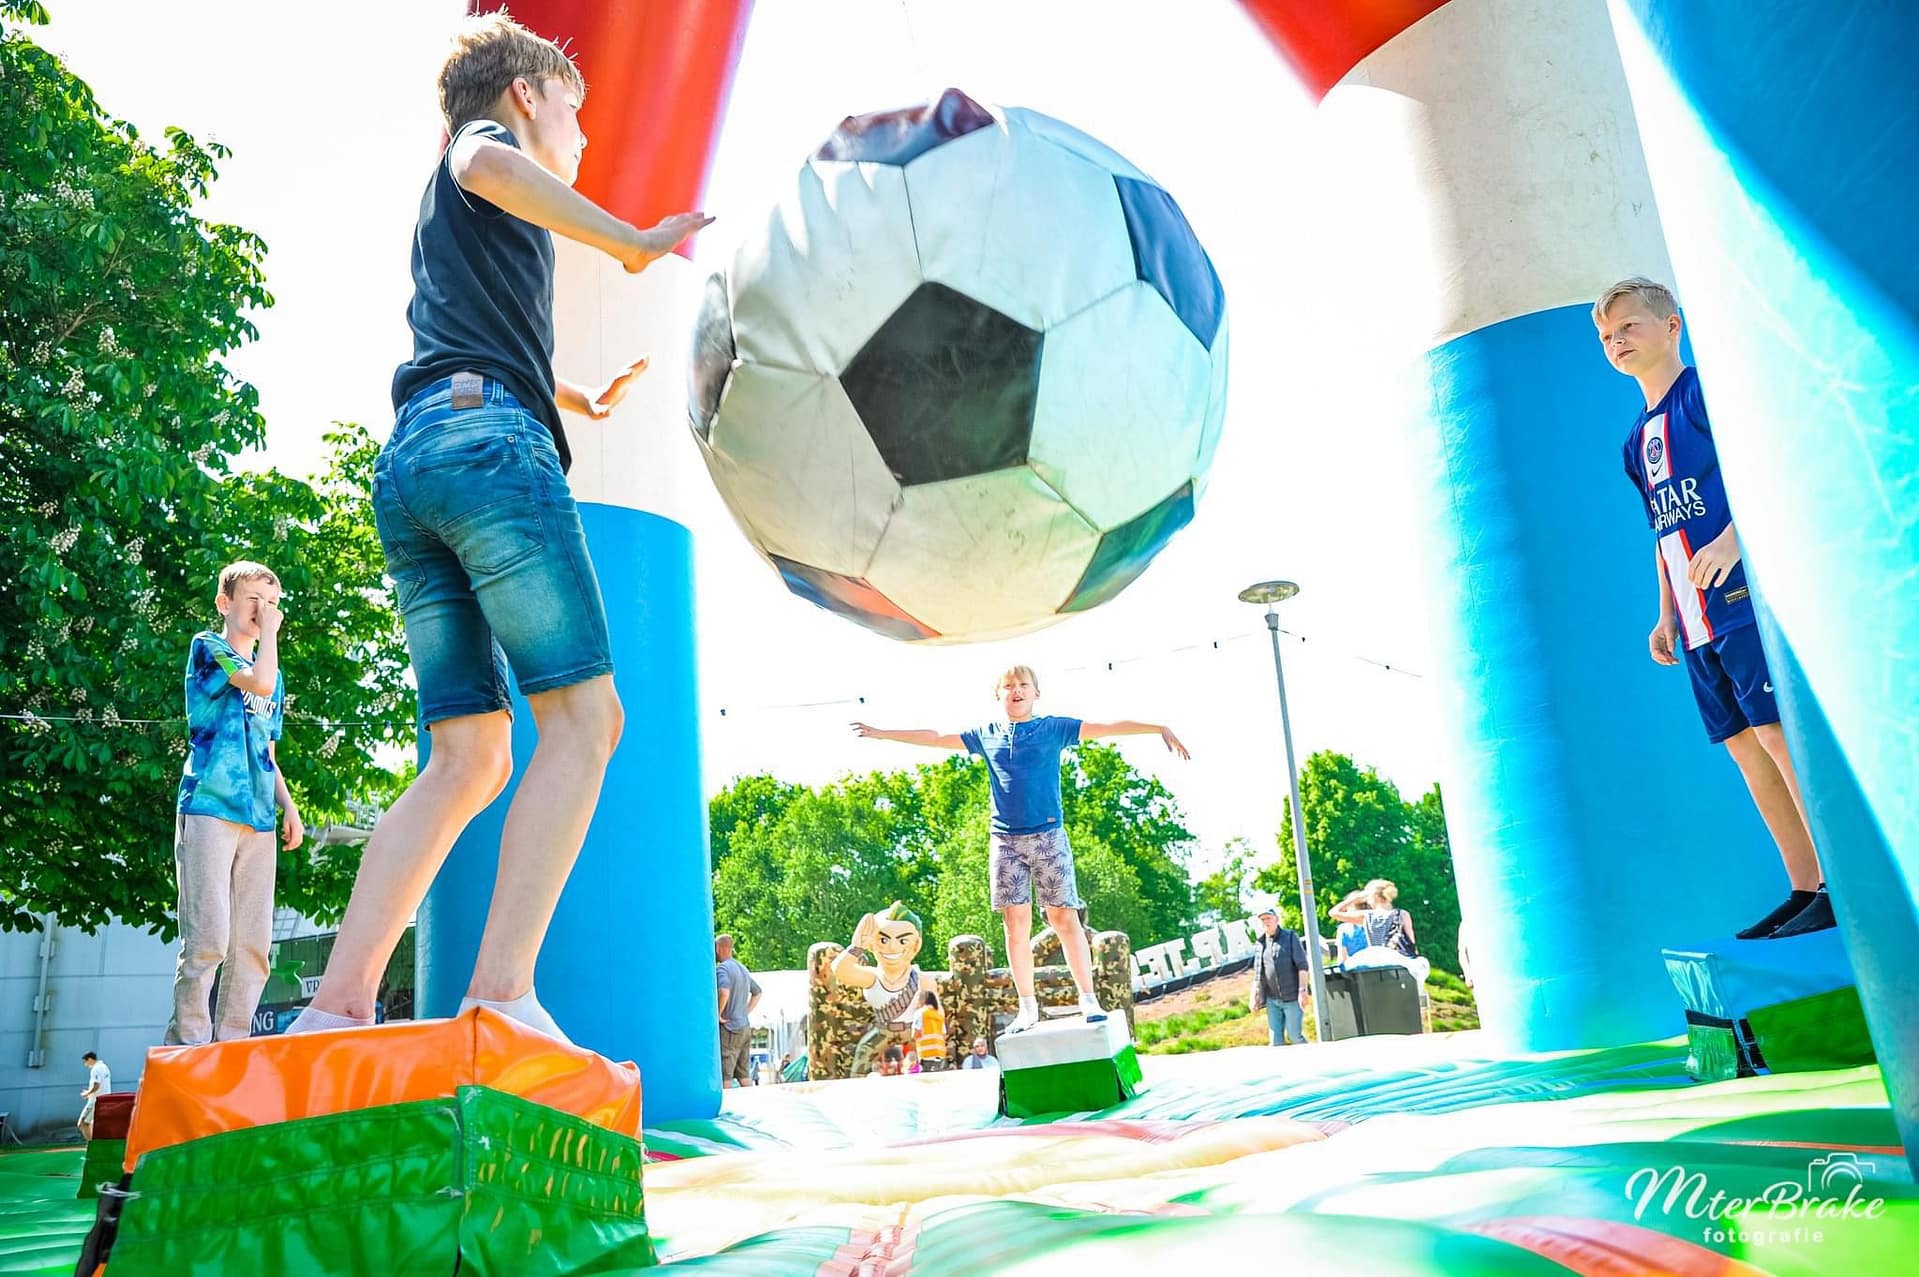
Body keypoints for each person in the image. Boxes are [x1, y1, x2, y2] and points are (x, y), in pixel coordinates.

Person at [291, 13, 712, 1041]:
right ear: (525, 94)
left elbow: (472, 341)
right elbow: (486, 162)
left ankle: (335, 1006)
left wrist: (572, 395)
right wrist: (629, 241)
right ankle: (500, 992)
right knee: (586, 719)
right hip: (484, 453)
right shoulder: (479, 149)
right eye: (572, 106)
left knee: (469, 755)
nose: (582, 132)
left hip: (419, 462)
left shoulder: (468, 219)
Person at [1596, 278, 1834, 941]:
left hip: (1737, 601)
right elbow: (1662, 530)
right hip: (1695, 619)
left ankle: (1839, 879)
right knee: (1741, 745)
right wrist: (1665, 612)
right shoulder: (1633, 442)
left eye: (1628, 326)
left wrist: (1732, 542)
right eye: (1606, 335)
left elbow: (1760, 471)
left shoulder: (1704, 393)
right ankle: (1803, 885)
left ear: (1671, 325)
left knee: (1775, 733)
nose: (1617, 341)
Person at [852, 665, 1189, 1033]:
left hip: (1048, 835)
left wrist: (1157, 727)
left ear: (1035, 693)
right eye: (1009, 686)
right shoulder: (986, 735)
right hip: (1006, 841)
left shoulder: (1054, 729)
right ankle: (1028, 1008)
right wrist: (882, 733)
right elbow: (936, 737)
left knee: (1064, 918)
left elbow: (1106, 727)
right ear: (999, 695)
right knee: (1015, 926)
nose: (1016, 690)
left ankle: (1088, 998)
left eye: (1023, 685)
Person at [169, 562, 303, 1045]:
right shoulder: (209, 647)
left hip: (259, 818)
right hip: (210, 805)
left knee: (253, 945)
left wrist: (289, 806)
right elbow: (258, 683)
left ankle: (231, 1045)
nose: (264, 610)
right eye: (254, 600)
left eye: (272, 602)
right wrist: (270, 635)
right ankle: (187, 1045)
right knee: (208, 939)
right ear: (225, 604)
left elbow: (268, 749)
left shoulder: (274, 674)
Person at [1248, 905, 1310, 1046]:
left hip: (1292, 997)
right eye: (1262, 919)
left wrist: (1303, 990)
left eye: (1268, 918)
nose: (1266, 922)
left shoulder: (1290, 937)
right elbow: (1258, 974)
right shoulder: (1260, 943)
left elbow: (1302, 966)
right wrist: (1253, 997)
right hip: (1272, 1000)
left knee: (1295, 1037)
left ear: (1276, 919)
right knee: (1276, 1042)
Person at [715, 934, 761, 1088]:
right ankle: (753, 1102)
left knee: (725, 1076)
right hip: (744, 1027)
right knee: (744, 1075)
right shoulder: (743, 969)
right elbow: (757, 992)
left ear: (718, 948)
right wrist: (745, 1012)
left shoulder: (722, 969)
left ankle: (727, 1103)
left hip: (730, 1028)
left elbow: (724, 991)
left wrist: (719, 1014)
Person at [913, 988, 948, 1072]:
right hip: (940, 1054)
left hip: (926, 1054)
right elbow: (944, 1034)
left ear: (923, 1000)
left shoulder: (920, 1013)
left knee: (926, 1079)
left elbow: (916, 1032)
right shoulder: (939, 1015)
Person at [77, 1052, 110, 1141]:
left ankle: (92, 1146)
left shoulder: (95, 1069)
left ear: (90, 1059)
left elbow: (96, 1085)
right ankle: (97, 1144)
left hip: (96, 1101)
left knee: (82, 1124)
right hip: (105, 1100)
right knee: (93, 1124)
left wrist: (87, 1093)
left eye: (85, 1062)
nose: (85, 1064)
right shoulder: (105, 1067)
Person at [1331, 889, 1369, 966]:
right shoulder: (1375, 921)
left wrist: (1352, 900)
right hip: (1378, 966)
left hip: (1355, 968)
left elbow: (1342, 958)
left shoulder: (1344, 928)